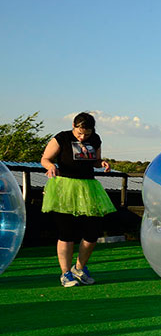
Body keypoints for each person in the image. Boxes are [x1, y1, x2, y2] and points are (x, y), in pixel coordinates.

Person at [40, 112, 116, 287]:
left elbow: (95, 161)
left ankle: (79, 268)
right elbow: (45, 159)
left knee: (92, 233)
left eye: (86, 134)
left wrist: (102, 163)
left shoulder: (95, 139)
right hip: (64, 187)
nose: (82, 137)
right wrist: (51, 166)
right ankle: (65, 273)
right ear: (73, 126)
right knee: (66, 233)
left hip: (89, 188)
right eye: (79, 133)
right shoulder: (62, 138)